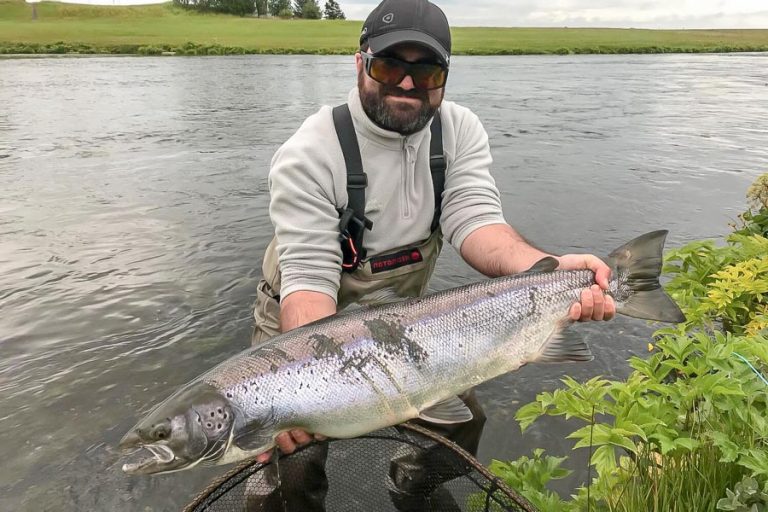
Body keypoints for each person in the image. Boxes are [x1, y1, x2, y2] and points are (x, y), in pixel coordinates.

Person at [249, 0, 615, 509]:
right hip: (304, 315)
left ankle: (411, 483)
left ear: (444, 77)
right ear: (360, 62)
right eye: (388, 65)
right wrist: (305, 395)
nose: (406, 84)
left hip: (403, 321)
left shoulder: (458, 130)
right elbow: (309, 283)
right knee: (294, 455)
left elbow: (477, 224)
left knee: (467, 423)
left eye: (426, 72)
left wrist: (550, 273)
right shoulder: (309, 153)